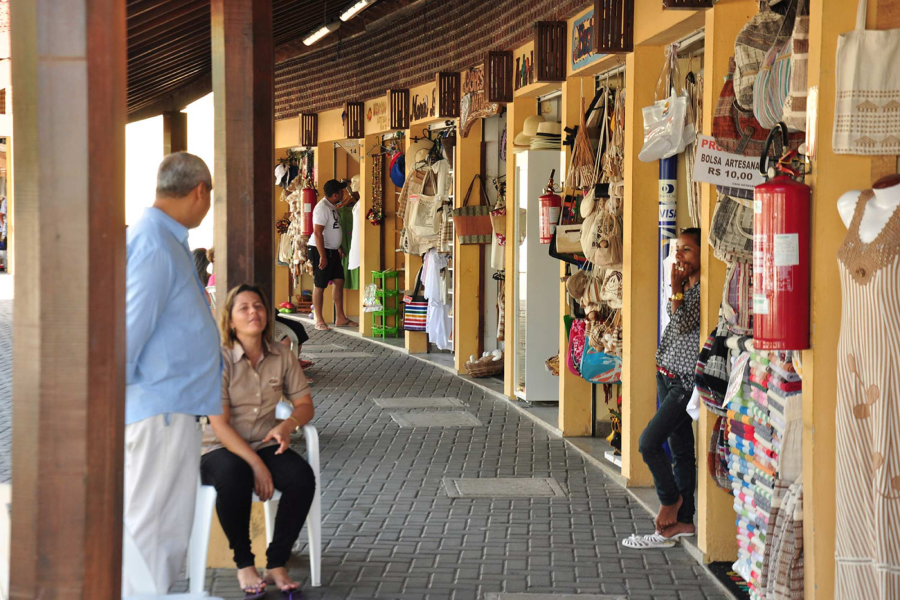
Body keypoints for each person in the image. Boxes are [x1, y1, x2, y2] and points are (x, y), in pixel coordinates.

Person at [124, 152, 222, 594]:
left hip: (172, 409)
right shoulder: (153, 243)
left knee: (167, 529)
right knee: (154, 528)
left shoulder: (166, 239)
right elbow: (127, 333)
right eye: (210, 195)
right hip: (158, 410)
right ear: (199, 191)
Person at [202, 284, 316, 597]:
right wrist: (256, 465)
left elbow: (305, 406)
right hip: (218, 447)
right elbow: (220, 425)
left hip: (265, 443)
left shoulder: (282, 355)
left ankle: (276, 562)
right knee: (234, 475)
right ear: (230, 320)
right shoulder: (219, 359)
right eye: (244, 308)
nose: (254, 312)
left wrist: (287, 425)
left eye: (259, 306)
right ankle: (244, 564)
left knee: (301, 478)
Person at [624, 228, 701, 549]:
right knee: (682, 452)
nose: (680, 255)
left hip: (684, 382)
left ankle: (670, 501)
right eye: (677, 249)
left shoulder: (700, 290)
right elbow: (673, 314)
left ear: (700, 255)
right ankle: (683, 523)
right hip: (667, 374)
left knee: (648, 444)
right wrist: (677, 289)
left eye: (687, 250)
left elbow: (682, 322)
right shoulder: (688, 288)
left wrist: (675, 285)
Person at [308, 179, 357, 331]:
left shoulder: (332, 206)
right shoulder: (322, 208)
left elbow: (333, 229)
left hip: (332, 250)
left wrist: (338, 247)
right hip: (320, 250)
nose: (344, 193)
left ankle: (340, 317)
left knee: (339, 281)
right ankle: (319, 319)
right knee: (320, 285)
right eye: (341, 191)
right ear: (335, 195)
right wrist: (322, 256)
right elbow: (317, 233)